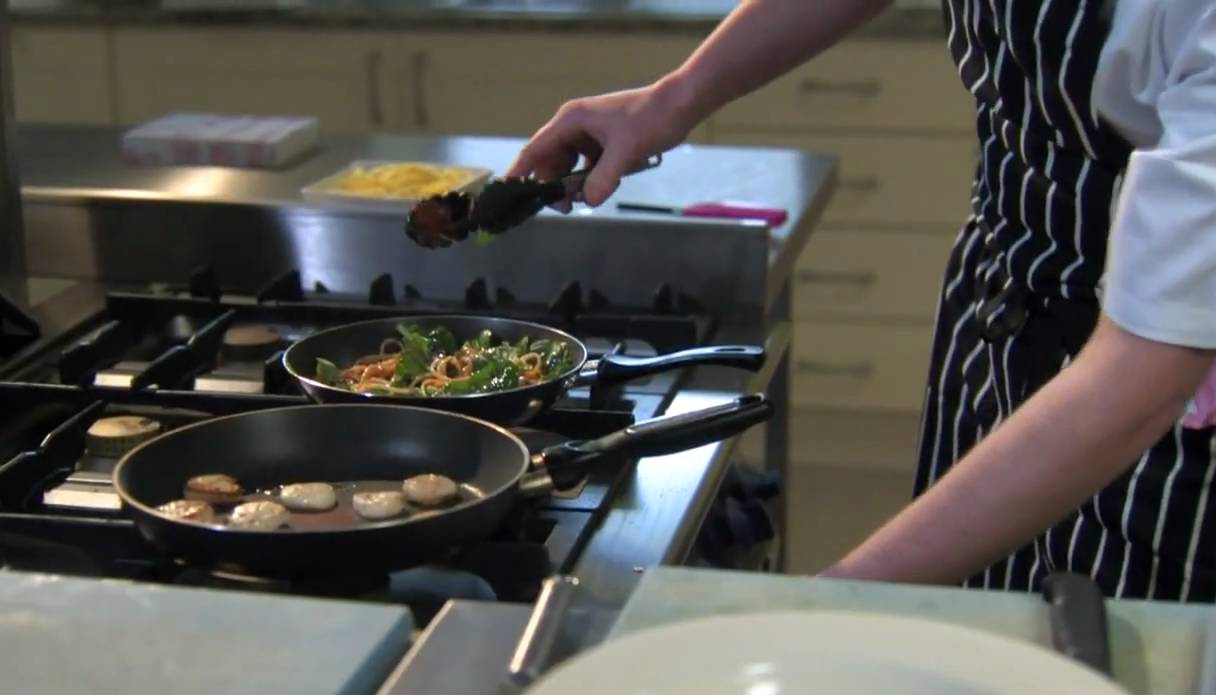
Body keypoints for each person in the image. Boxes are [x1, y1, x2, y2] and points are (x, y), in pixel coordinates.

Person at [507, 0, 1216, 601]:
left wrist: (830, 601)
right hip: (1003, 292)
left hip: (1162, 400)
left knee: (1114, 668)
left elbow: (1146, 372)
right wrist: (674, 97)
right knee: (970, 637)